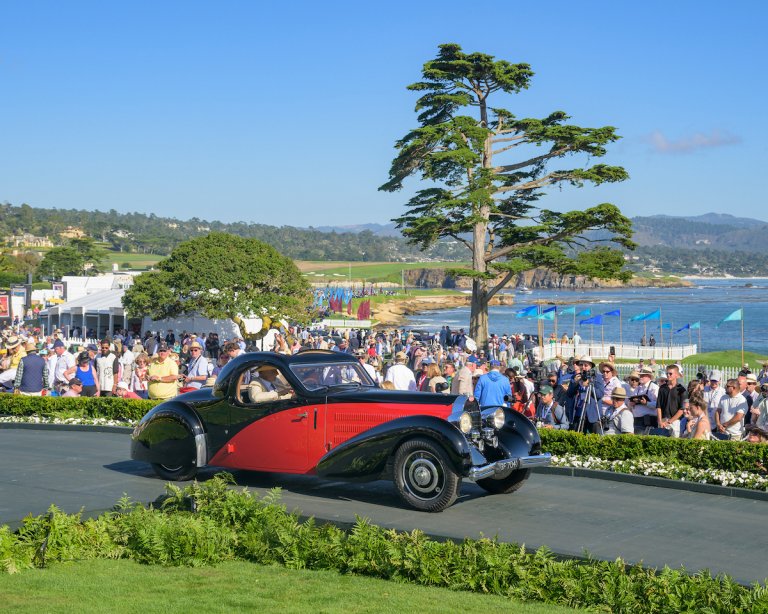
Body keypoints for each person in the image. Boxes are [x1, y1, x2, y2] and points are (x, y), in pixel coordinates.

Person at [656, 363, 687, 437]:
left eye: (670, 373)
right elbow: (658, 406)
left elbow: (682, 409)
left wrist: (670, 421)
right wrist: (660, 421)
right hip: (663, 420)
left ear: (676, 375)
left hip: (675, 422)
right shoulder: (662, 388)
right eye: (667, 373)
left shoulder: (681, 389)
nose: (668, 375)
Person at [630, 367, 659, 432]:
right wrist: (632, 403)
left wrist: (646, 403)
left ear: (649, 376)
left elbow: (658, 404)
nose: (640, 377)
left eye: (643, 375)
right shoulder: (638, 388)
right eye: (640, 375)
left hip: (648, 420)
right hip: (636, 419)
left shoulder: (654, 388)